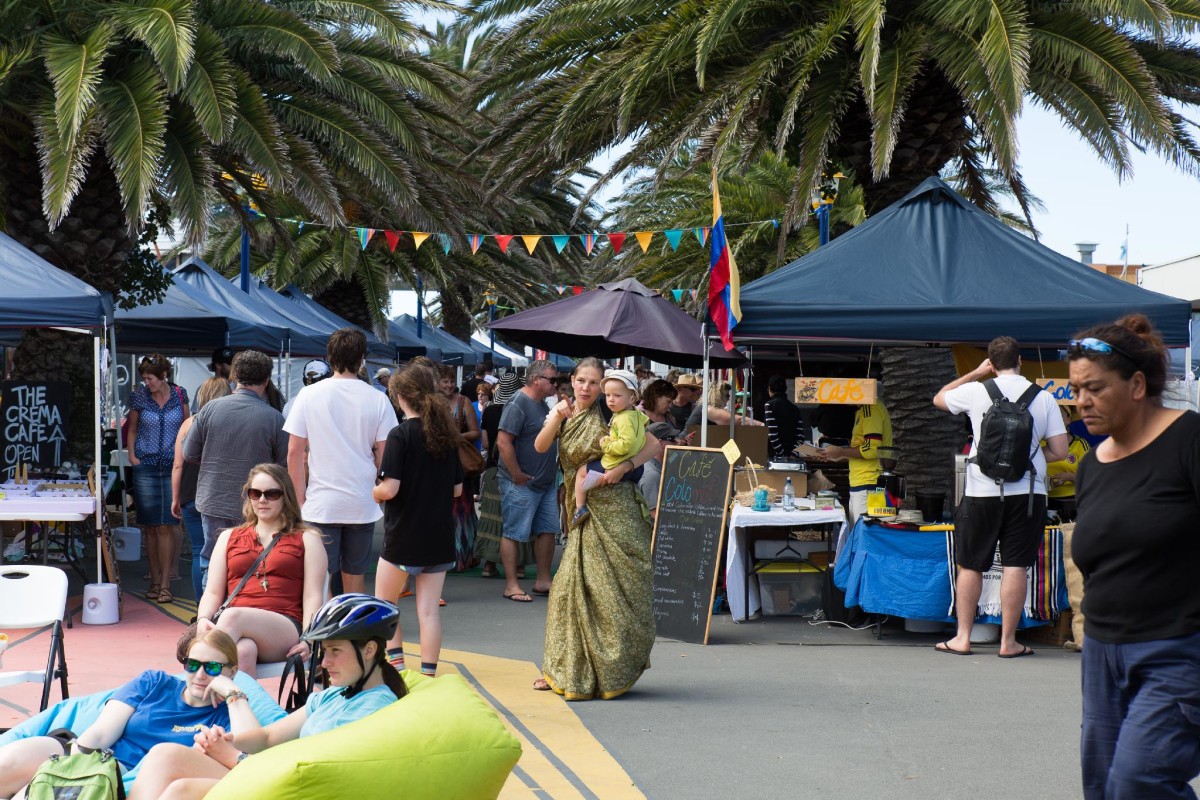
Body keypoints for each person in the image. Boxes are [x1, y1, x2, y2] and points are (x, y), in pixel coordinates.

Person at [1064, 315, 1200, 798]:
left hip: (1177, 651)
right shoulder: (1091, 467)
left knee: (1140, 784)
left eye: (1095, 388)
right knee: (1103, 788)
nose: (1081, 401)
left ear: (1137, 384)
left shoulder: (1189, 441)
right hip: (1103, 653)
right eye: (1076, 389)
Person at [127, 594, 407, 800]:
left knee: (181, 793)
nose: (324, 663)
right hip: (277, 775)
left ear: (369, 650)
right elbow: (268, 737)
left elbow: (322, 774)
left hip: (297, 789)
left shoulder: (372, 709)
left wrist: (235, 758)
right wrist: (225, 742)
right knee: (165, 755)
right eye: (325, 652)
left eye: (335, 651)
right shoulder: (334, 695)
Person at [532, 357, 660, 699]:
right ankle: (563, 667)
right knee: (570, 589)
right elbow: (540, 447)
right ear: (572, 381)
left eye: (594, 383)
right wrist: (557, 417)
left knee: (617, 591)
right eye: (582, 381)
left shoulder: (612, 411)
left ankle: (612, 669)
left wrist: (627, 466)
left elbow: (654, 446)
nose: (587, 388)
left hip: (617, 507)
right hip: (581, 510)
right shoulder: (564, 412)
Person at [932, 336, 1067, 658]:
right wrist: (1028, 459)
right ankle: (1008, 642)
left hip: (981, 491)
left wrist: (975, 374)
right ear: (1020, 360)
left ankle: (963, 637)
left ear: (991, 363)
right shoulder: (1043, 398)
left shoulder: (976, 391)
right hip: (1028, 494)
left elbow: (939, 398)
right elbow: (1060, 450)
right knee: (1015, 566)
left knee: (971, 565)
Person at [0, 629, 238, 799]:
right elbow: (102, 732)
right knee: (8, 762)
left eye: (213, 668)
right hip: (86, 751)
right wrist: (68, 767)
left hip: (120, 774)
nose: (200, 675)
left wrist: (233, 694)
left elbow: (244, 754)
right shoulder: (154, 682)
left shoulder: (226, 716)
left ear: (232, 671)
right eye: (193, 665)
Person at [285, 328, 395, 596]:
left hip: (320, 502)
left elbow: (295, 452)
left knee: (319, 578)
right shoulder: (378, 398)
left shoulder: (308, 396)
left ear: (329, 358)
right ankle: (350, 632)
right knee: (355, 577)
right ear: (362, 359)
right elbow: (385, 452)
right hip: (362, 501)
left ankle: (321, 634)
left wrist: (298, 500)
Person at [372, 365, 464, 676]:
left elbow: (390, 488)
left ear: (399, 397)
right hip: (439, 535)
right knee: (428, 611)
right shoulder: (446, 434)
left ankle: (397, 669)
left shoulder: (399, 435)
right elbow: (458, 489)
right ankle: (428, 675)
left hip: (403, 535)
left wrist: (374, 492)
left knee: (386, 605)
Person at [197, 464, 326, 675]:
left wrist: (308, 640)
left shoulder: (307, 538)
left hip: (283, 627)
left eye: (272, 494)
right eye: (255, 493)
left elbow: (313, 596)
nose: (262, 500)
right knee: (244, 651)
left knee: (231, 617)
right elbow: (212, 592)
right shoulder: (228, 537)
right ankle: (241, 705)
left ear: (286, 496)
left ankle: (197, 686)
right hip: (235, 630)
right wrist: (203, 619)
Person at [184, 350, 289, 594]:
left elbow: (189, 453)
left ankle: (206, 620)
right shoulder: (274, 418)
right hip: (256, 503)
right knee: (251, 562)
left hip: (213, 498)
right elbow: (282, 466)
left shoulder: (209, 410)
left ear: (234, 377)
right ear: (266, 381)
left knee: (211, 560)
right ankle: (242, 616)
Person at [127, 353, 191, 604]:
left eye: (150, 378)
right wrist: (133, 456)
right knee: (150, 527)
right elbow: (131, 428)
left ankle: (165, 583)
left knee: (167, 524)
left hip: (173, 465)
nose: (147, 382)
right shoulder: (139, 396)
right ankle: (154, 580)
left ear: (164, 375)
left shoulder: (179, 394)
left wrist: (186, 457)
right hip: (146, 465)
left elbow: (187, 427)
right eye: (144, 378)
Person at [495, 359, 560, 602]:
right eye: (552, 380)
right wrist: (516, 474)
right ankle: (511, 585)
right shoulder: (518, 404)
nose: (556, 384)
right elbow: (503, 442)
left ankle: (543, 580)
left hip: (543, 481)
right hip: (522, 482)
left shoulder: (542, 404)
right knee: (513, 532)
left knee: (548, 530)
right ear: (536, 380)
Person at [172, 377, 231, 601]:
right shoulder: (227, 423)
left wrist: (175, 497)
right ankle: (222, 604)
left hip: (189, 494)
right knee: (226, 552)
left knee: (200, 551)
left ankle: (201, 605)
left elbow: (177, 464)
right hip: (220, 494)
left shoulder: (188, 423)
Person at [571, 369, 646, 529]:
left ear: (632, 397)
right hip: (635, 466)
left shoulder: (623, 418)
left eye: (617, 396)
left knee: (581, 472)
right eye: (608, 395)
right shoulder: (635, 414)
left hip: (616, 463)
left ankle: (579, 507)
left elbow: (627, 444)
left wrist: (607, 444)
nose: (611, 400)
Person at [475, 373, 532, 579]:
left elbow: (487, 443)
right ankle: (519, 566)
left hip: (493, 469)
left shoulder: (490, 411)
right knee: (518, 517)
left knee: (493, 517)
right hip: (519, 469)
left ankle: (489, 565)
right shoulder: (521, 409)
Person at [821, 395, 894, 523]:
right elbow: (863, 446)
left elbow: (871, 449)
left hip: (869, 483)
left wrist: (841, 451)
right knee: (859, 532)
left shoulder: (871, 408)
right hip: (862, 483)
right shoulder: (863, 410)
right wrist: (839, 454)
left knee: (864, 533)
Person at [437, 365, 480, 572]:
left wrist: (456, 436)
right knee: (442, 512)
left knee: (462, 510)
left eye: (451, 381)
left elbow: (475, 432)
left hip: (460, 464)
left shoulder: (463, 402)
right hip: (437, 461)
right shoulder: (432, 402)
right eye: (445, 381)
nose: (449, 385)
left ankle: (463, 556)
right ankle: (444, 556)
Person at [1046, 405, 1090, 522]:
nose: (1055, 418)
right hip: (1044, 500)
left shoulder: (1080, 444)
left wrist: (1069, 476)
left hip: (1072, 502)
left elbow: (1090, 478)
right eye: (1052, 414)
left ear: (1068, 419)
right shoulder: (1039, 443)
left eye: (1059, 414)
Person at [764, 374, 810, 461]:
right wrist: (793, 454)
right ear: (785, 389)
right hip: (793, 458)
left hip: (775, 457)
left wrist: (781, 454)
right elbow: (800, 436)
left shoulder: (769, 405)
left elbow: (772, 434)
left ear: (770, 388)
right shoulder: (795, 408)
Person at [685, 382, 765, 429]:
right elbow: (737, 420)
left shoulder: (705, 407)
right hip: (686, 446)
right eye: (727, 396)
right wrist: (762, 425)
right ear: (717, 395)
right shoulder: (709, 409)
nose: (728, 399)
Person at [474, 382, 493, 452]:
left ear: (488, 395)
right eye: (478, 394)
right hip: (475, 442)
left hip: (486, 442)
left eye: (483, 394)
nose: (480, 396)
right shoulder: (472, 406)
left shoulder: (492, 407)